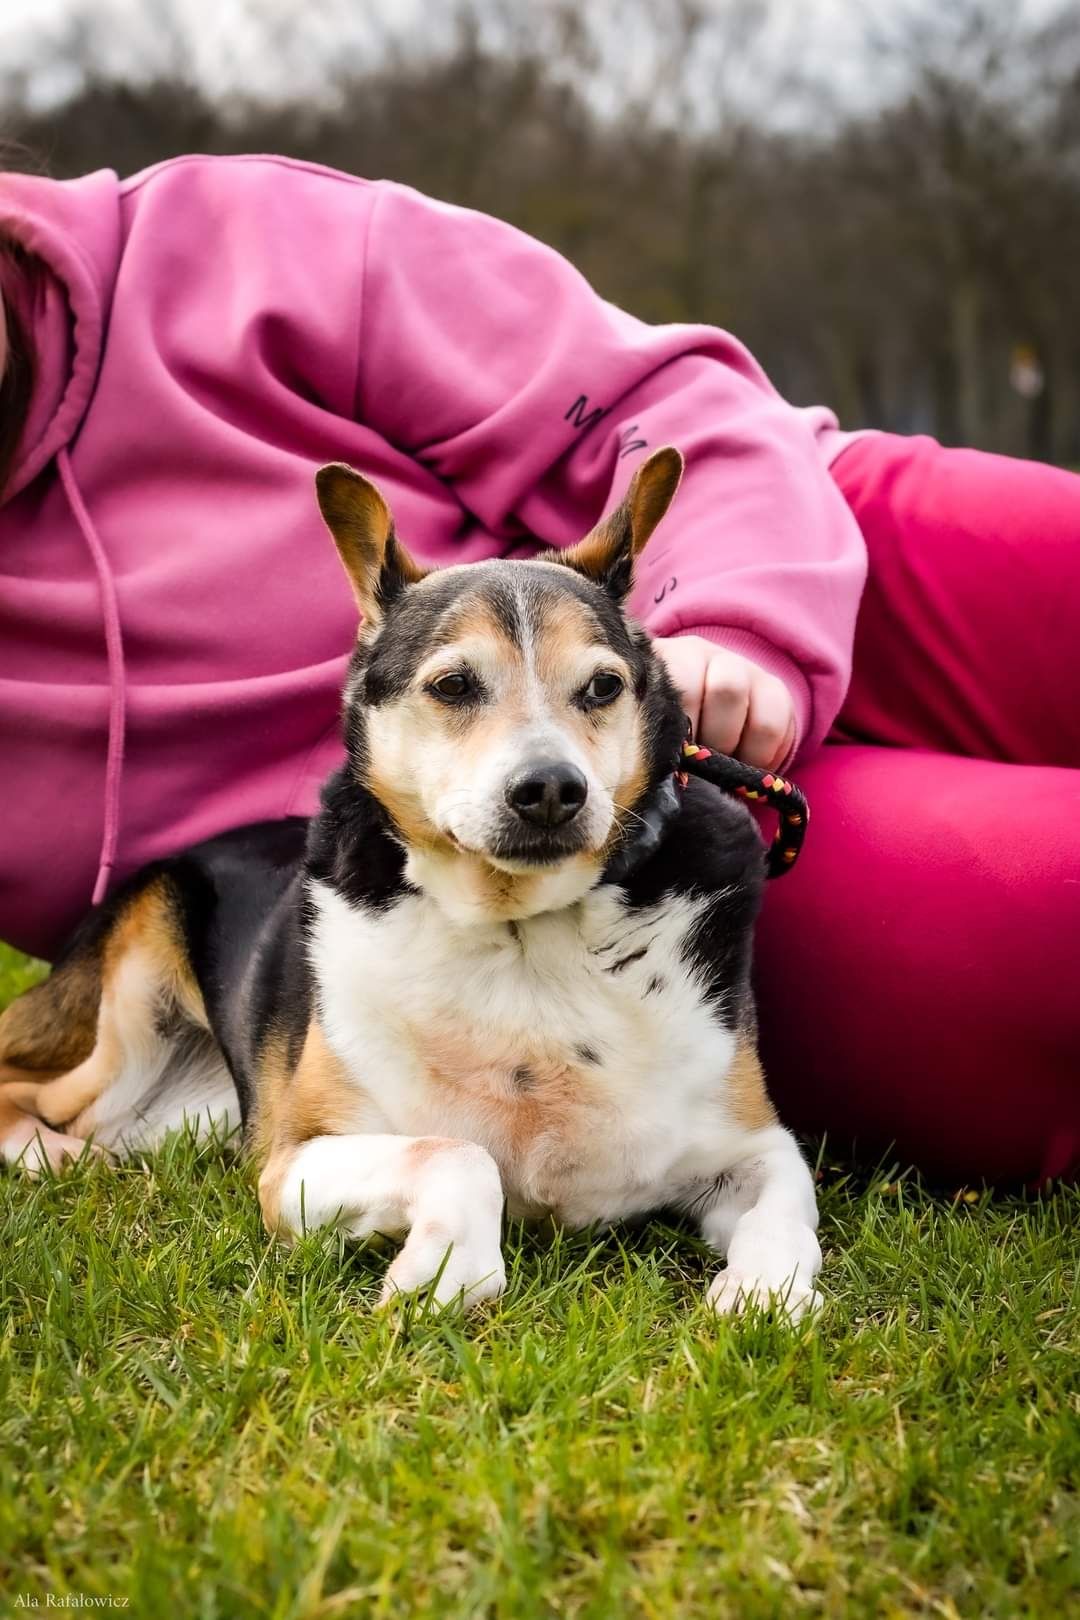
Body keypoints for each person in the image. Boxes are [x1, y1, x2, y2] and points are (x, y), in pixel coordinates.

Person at [1, 153, 1076, 1185]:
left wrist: (736, 621)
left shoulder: (223, 244)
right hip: (603, 907)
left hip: (786, 529)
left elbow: (650, 405)